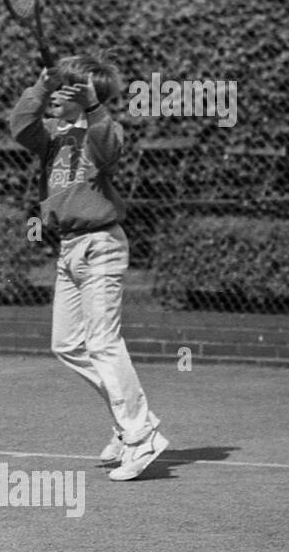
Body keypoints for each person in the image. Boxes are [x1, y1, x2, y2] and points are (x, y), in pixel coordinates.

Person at [9, 54, 169, 481]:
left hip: (101, 245)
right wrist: (42, 86)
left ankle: (141, 436)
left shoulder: (101, 131)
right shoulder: (52, 137)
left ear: (86, 97)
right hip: (69, 250)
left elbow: (110, 147)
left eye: (66, 90)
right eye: (56, 88)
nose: (55, 96)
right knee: (67, 345)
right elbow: (20, 127)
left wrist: (95, 105)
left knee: (102, 342)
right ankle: (131, 421)